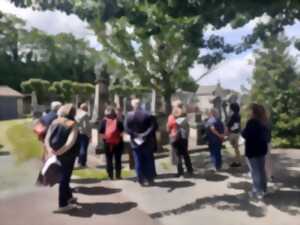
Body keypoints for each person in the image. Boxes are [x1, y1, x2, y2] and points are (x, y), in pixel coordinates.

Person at [44, 104, 80, 212]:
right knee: (65, 178)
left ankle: (69, 197)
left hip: (55, 152)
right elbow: (71, 141)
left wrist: (50, 149)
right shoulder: (72, 124)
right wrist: (61, 151)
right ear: (73, 113)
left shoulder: (55, 121)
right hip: (68, 154)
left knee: (64, 176)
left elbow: (47, 138)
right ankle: (62, 204)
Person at [125, 98, 156, 186]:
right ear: (141, 104)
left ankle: (140, 179)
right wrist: (144, 135)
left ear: (132, 105)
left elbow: (126, 128)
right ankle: (149, 178)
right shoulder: (148, 114)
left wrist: (135, 135)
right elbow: (152, 127)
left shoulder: (129, 115)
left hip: (135, 141)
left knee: (137, 159)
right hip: (146, 140)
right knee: (148, 159)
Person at [242, 103, 269, 199]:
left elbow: (246, 134)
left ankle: (257, 191)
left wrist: (244, 128)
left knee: (255, 171)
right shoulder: (264, 121)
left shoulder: (252, 122)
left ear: (253, 112)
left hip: (252, 149)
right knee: (261, 170)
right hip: (262, 149)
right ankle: (264, 189)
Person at [167, 102, 193, 177]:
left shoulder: (172, 116)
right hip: (183, 138)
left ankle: (180, 171)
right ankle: (189, 169)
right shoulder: (184, 116)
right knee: (185, 154)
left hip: (175, 137)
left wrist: (171, 132)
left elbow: (168, 127)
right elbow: (186, 128)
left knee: (178, 155)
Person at [99, 106, 124, 180]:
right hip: (118, 143)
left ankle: (110, 176)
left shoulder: (103, 121)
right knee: (118, 159)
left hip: (107, 143)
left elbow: (100, 132)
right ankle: (118, 175)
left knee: (109, 159)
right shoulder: (118, 121)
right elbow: (122, 131)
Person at [226, 103, 242, 167]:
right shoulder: (238, 115)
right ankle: (237, 161)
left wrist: (230, 130)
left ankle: (237, 162)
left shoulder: (234, 115)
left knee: (234, 147)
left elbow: (233, 124)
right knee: (236, 148)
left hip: (233, 133)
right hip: (237, 132)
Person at [75, 103, 91, 168]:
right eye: (87, 107)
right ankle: (82, 163)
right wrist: (88, 134)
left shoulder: (76, 113)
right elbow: (86, 125)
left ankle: (80, 162)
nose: (87, 109)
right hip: (84, 133)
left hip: (77, 133)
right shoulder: (85, 114)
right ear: (85, 108)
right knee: (83, 148)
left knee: (80, 148)